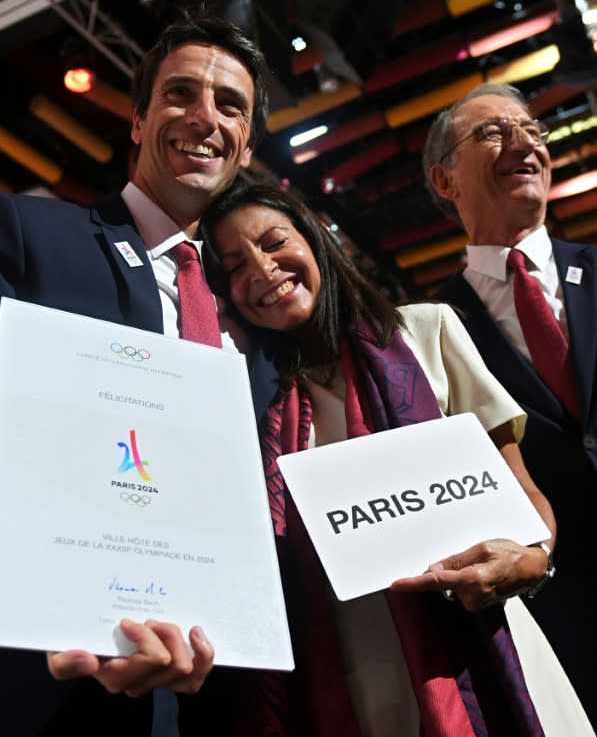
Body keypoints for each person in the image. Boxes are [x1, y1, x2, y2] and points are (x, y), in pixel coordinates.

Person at [200, 181, 594, 736]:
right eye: (236, 265)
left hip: (489, 647)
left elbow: (521, 491)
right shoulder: (257, 414)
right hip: (359, 678)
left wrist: (533, 561)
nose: (263, 270)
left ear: (313, 240)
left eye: (274, 242)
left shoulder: (428, 330)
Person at [0, 10, 278, 736]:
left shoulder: (255, 315)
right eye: (180, 94)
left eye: (230, 105)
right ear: (137, 120)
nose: (203, 118)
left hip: (211, 691)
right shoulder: (29, 235)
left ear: (245, 145)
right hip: (44, 682)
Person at [423, 82, 597, 728]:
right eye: (493, 132)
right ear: (444, 181)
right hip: (554, 620)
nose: (523, 142)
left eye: (531, 130)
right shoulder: (428, 331)